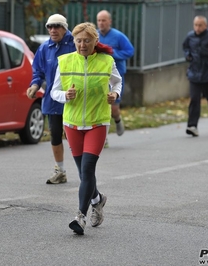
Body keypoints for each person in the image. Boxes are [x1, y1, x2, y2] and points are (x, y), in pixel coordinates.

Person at [51, 22, 122, 235]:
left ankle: (80, 217)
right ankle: (98, 200)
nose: (82, 44)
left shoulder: (106, 61)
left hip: (97, 121)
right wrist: (65, 96)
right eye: (79, 40)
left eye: (87, 40)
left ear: (95, 41)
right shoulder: (64, 61)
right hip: (72, 122)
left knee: (88, 168)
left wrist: (115, 95)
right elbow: (54, 91)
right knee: (84, 173)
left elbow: (117, 82)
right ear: (74, 41)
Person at [27, 14, 76, 184]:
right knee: (55, 134)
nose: (53, 30)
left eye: (57, 26)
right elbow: (38, 71)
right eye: (50, 27)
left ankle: (85, 170)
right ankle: (60, 170)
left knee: (75, 136)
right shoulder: (44, 47)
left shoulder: (75, 44)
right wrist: (35, 85)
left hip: (74, 97)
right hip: (53, 98)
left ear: (65, 27)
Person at [96, 10, 134, 147]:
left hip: (115, 77)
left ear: (109, 21)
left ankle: (117, 120)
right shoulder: (95, 36)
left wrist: (113, 53)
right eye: (99, 20)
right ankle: (102, 138)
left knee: (113, 109)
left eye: (104, 20)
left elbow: (130, 51)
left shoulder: (118, 36)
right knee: (99, 108)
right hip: (98, 77)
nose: (101, 23)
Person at [182, 15, 208, 137]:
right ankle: (192, 126)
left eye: (200, 25)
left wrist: (207, 53)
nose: (197, 28)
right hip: (194, 73)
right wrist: (188, 55)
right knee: (194, 99)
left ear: (205, 26)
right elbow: (185, 47)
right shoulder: (190, 36)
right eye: (196, 25)